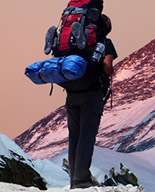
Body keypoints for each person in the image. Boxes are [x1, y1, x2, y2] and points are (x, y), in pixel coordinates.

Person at [65, 14, 117, 188]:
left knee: (75, 136)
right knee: (86, 136)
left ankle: (74, 179)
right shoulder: (105, 43)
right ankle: (81, 180)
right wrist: (109, 72)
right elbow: (107, 66)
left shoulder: (76, 42)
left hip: (72, 92)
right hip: (92, 94)